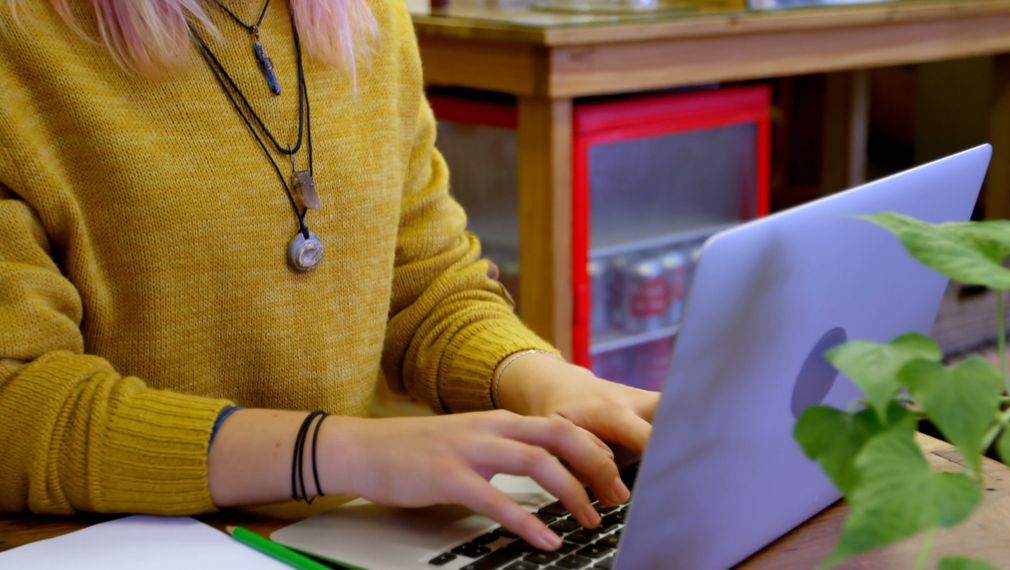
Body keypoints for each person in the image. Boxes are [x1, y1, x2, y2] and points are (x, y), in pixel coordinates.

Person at [0, 0, 659, 552]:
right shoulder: (21, 34)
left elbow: (423, 286)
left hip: (334, 534)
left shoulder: (365, 15)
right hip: (114, 546)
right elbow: (16, 401)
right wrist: (346, 452)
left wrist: (545, 384)